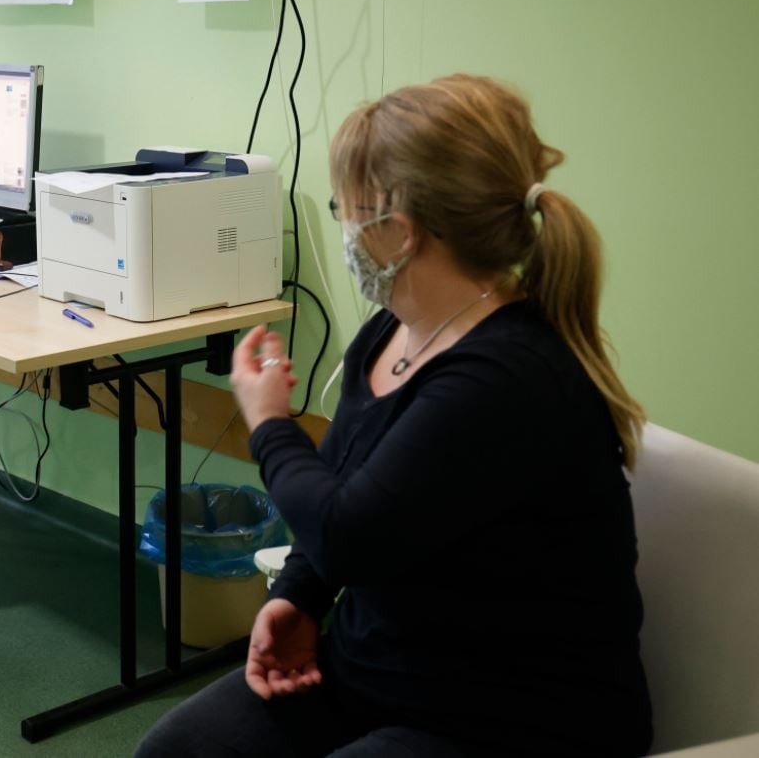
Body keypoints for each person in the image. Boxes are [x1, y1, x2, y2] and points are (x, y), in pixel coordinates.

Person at [136, 75, 652, 757]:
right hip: (377, 671)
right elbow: (343, 490)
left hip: (510, 717)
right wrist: (298, 598)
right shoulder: (394, 330)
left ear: (400, 234)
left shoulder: (504, 378)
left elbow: (347, 533)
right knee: (174, 751)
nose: (344, 231)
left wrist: (268, 422)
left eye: (346, 211)